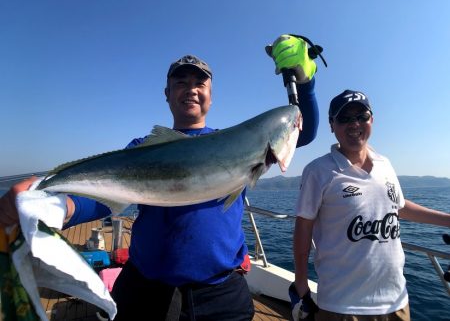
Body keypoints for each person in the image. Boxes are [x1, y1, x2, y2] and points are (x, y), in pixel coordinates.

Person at [0, 36, 321, 320]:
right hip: (146, 288)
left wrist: (304, 81)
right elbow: (101, 197)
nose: (191, 89)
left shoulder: (237, 143)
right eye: (180, 82)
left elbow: (302, 129)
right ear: (167, 93)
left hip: (221, 292)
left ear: (211, 94)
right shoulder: (141, 150)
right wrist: (53, 206)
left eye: (200, 82)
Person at [291, 89, 450, 321]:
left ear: (372, 120)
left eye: (361, 116)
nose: (354, 124)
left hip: (397, 302)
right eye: (344, 118)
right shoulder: (318, 171)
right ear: (331, 125)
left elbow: (399, 206)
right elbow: (303, 227)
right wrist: (301, 283)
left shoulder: (385, 164)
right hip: (342, 306)